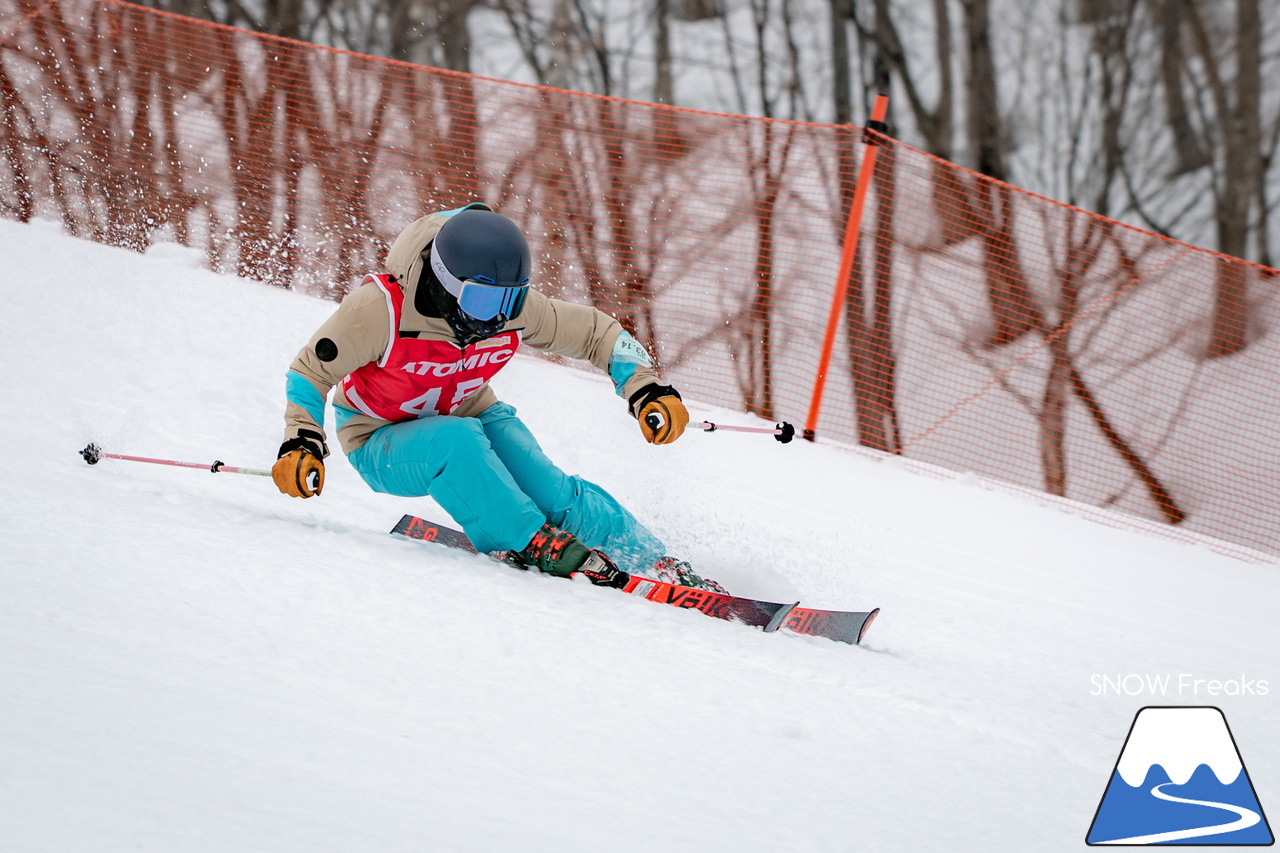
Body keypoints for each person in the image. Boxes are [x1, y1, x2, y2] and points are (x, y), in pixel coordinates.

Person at [271, 203, 725, 592]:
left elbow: (595, 333)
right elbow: (310, 371)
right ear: (446, 284)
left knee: (550, 488)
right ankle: (526, 538)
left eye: (510, 302)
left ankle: (649, 557)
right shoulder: (380, 310)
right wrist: (302, 440)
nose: (496, 320)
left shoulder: (510, 311)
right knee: (456, 442)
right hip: (379, 439)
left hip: (470, 412)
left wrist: (645, 388)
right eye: (484, 303)